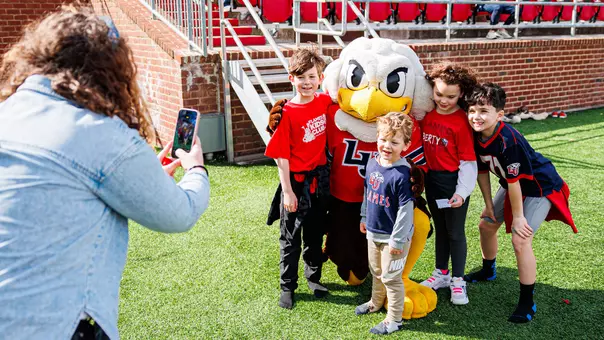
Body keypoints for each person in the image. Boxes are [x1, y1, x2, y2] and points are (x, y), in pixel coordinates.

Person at [0, 7, 210, 339]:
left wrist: (135, 176)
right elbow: (178, 213)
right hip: (56, 325)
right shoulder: (97, 131)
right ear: (108, 71)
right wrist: (196, 167)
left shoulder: (8, 111)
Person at [464, 83, 577, 323]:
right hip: (512, 184)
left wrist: (518, 216)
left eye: (483, 110)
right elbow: (482, 171)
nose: (476, 116)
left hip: (539, 188)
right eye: (472, 110)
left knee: (520, 238)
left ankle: (527, 301)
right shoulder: (475, 133)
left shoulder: (509, 140)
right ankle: (488, 269)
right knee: (485, 225)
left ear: (500, 115)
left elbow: (515, 183)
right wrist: (487, 204)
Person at [264, 47, 333, 309]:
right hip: (295, 184)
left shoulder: (323, 101)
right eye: (301, 77)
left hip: (319, 183)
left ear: (320, 78)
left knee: (315, 236)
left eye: (312, 77)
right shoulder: (287, 113)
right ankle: (287, 287)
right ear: (291, 78)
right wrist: (288, 192)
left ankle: (314, 278)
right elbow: (280, 156)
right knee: (291, 239)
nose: (307, 82)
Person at [419, 62, 478, 305]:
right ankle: (441, 273)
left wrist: (462, 192)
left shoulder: (462, 121)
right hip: (432, 181)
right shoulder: (427, 115)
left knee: (455, 232)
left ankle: (458, 280)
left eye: (451, 96)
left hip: (453, 183)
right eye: (439, 94)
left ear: (461, 94)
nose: (444, 100)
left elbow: (468, 162)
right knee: (441, 230)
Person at [355, 112, 415, 335]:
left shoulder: (403, 174)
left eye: (394, 141)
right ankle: (375, 302)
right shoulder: (372, 163)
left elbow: (406, 210)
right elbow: (367, 192)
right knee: (377, 271)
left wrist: (398, 240)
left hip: (394, 238)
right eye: (383, 139)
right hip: (373, 231)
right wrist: (364, 217)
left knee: (391, 278)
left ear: (406, 145)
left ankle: (394, 320)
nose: (387, 146)